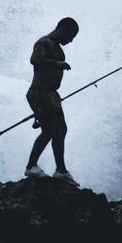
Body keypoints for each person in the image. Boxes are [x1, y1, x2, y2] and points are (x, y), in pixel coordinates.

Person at [25, 17, 79, 182]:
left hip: (51, 95)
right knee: (49, 131)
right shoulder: (44, 42)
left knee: (61, 129)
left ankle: (61, 171)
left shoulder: (56, 47)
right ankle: (31, 167)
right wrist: (57, 64)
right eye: (70, 36)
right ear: (62, 29)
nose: (70, 41)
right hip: (40, 93)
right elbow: (34, 60)